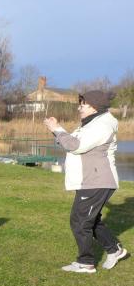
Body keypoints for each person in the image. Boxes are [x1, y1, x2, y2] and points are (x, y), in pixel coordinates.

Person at [44, 90, 129, 273]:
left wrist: (56, 128)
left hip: (97, 181)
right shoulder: (91, 123)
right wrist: (57, 131)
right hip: (91, 180)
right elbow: (71, 142)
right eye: (80, 104)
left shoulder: (101, 126)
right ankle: (114, 250)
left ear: (94, 107)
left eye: (83, 105)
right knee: (90, 219)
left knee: (80, 221)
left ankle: (86, 263)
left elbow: (75, 146)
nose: (79, 108)